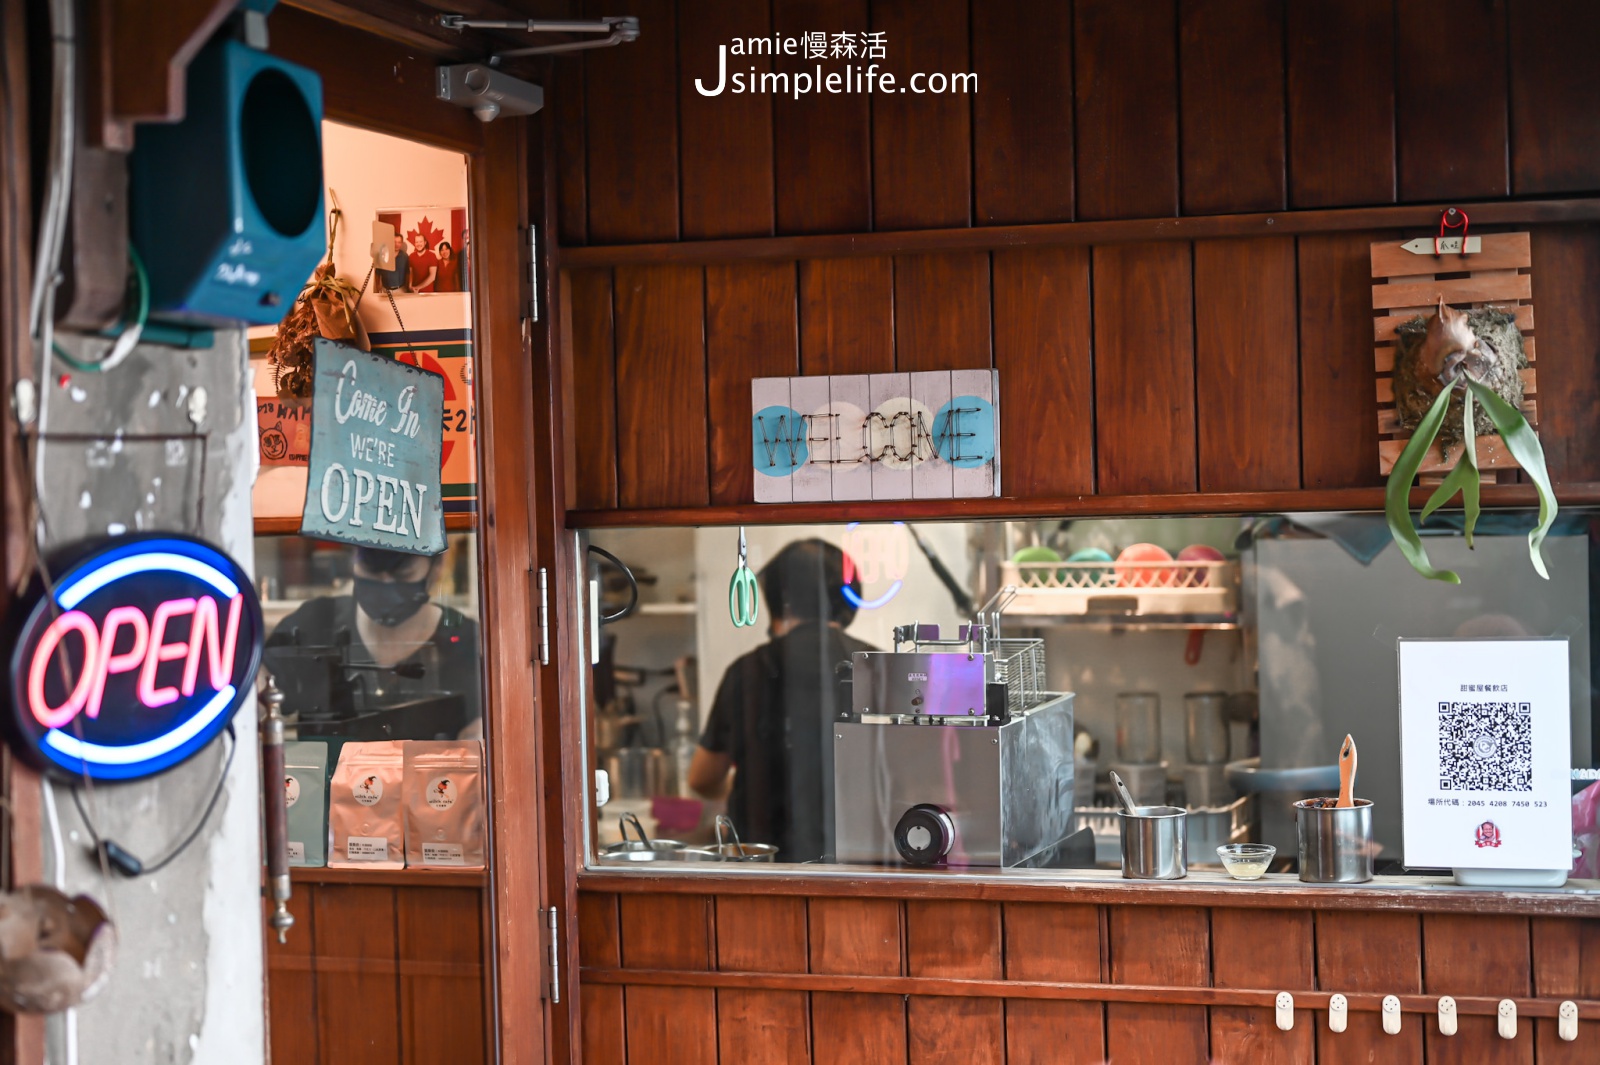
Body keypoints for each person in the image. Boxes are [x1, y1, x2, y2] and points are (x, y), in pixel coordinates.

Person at [688, 538, 873, 862]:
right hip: (862, 864)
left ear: (779, 600)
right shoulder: (878, 666)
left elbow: (702, 778)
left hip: (764, 867)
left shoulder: (748, 671)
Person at [263, 545, 481, 741]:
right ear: (352, 562)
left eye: (403, 575)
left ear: (437, 567)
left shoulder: (468, 643)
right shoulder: (314, 624)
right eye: (370, 571)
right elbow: (255, 703)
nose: (385, 585)